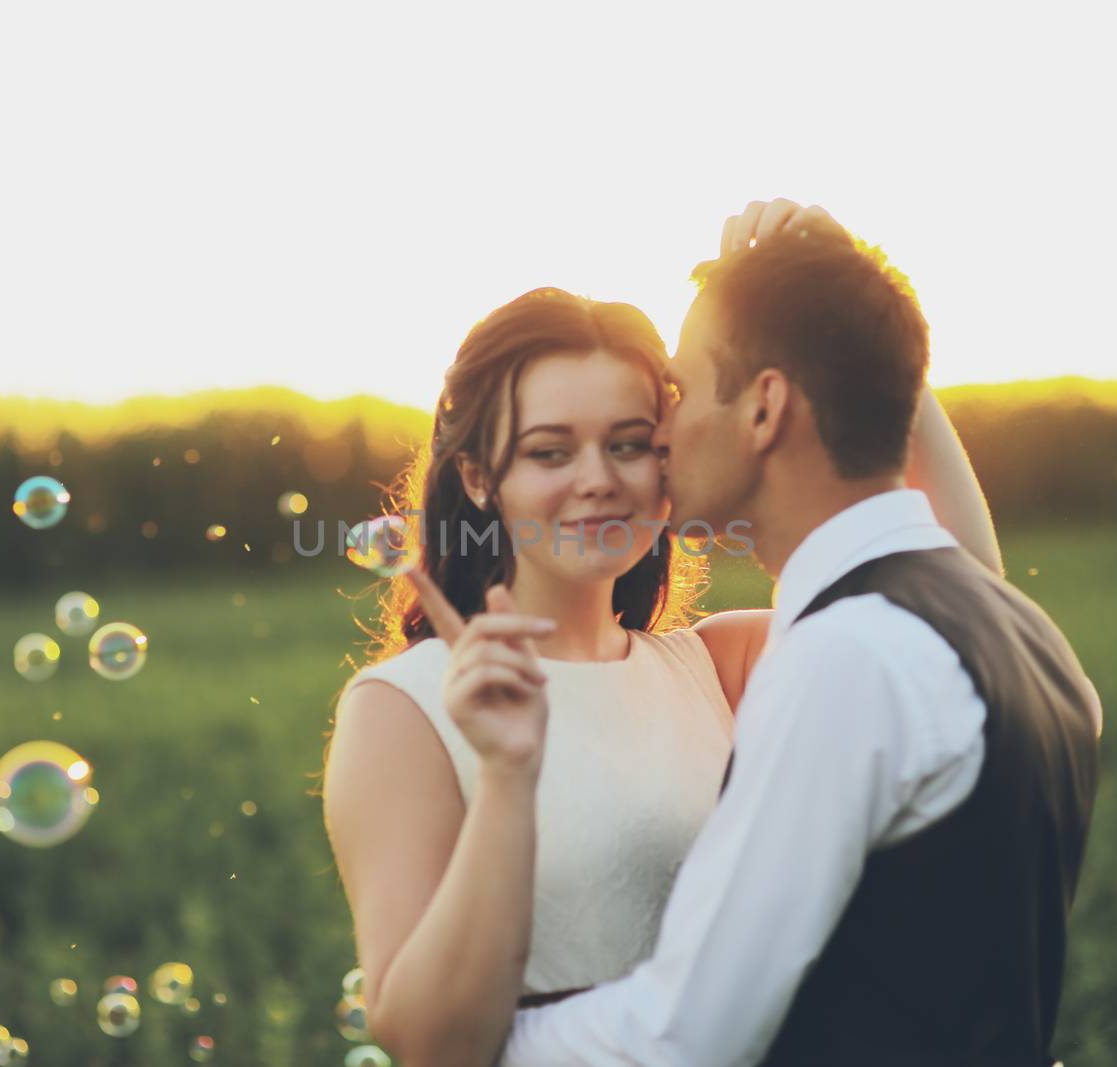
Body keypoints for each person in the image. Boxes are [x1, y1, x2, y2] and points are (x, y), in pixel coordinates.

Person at [322, 206, 1006, 1067]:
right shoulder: (404, 708)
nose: (598, 480)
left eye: (630, 443)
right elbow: (429, 1043)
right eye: (548, 452)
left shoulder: (720, 664)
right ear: (477, 476)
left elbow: (961, 610)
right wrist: (505, 775)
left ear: (670, 458)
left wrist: (866, 357)